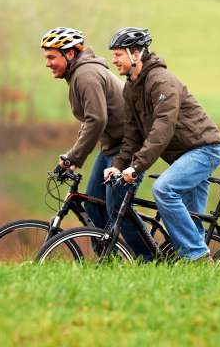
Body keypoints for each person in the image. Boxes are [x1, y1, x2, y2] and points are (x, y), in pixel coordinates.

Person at [103, 27, 220, 261]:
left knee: (163, 189)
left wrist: (136, 166)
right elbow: (132, 135)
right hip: (184, 156)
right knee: (192, 223)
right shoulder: (131, 87)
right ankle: (200, 274)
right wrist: (118, 165)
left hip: (204, 149)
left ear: (136, 54)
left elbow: (163, 128)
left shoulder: (161, 81)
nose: (114, 60)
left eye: (118, 54)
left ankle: (197, 257)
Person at [40, 27, 151, 260]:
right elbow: (91, 120)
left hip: (128, 146)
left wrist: (75, 157)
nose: (48, 63)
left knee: (117, 207)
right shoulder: (79, 75)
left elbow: (97, 120)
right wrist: (72, 157)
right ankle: (107, 259)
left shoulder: (85, 75)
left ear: (70, 54)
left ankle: (149, 259)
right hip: (112, 145)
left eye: (52, 57)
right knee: (94, 202)